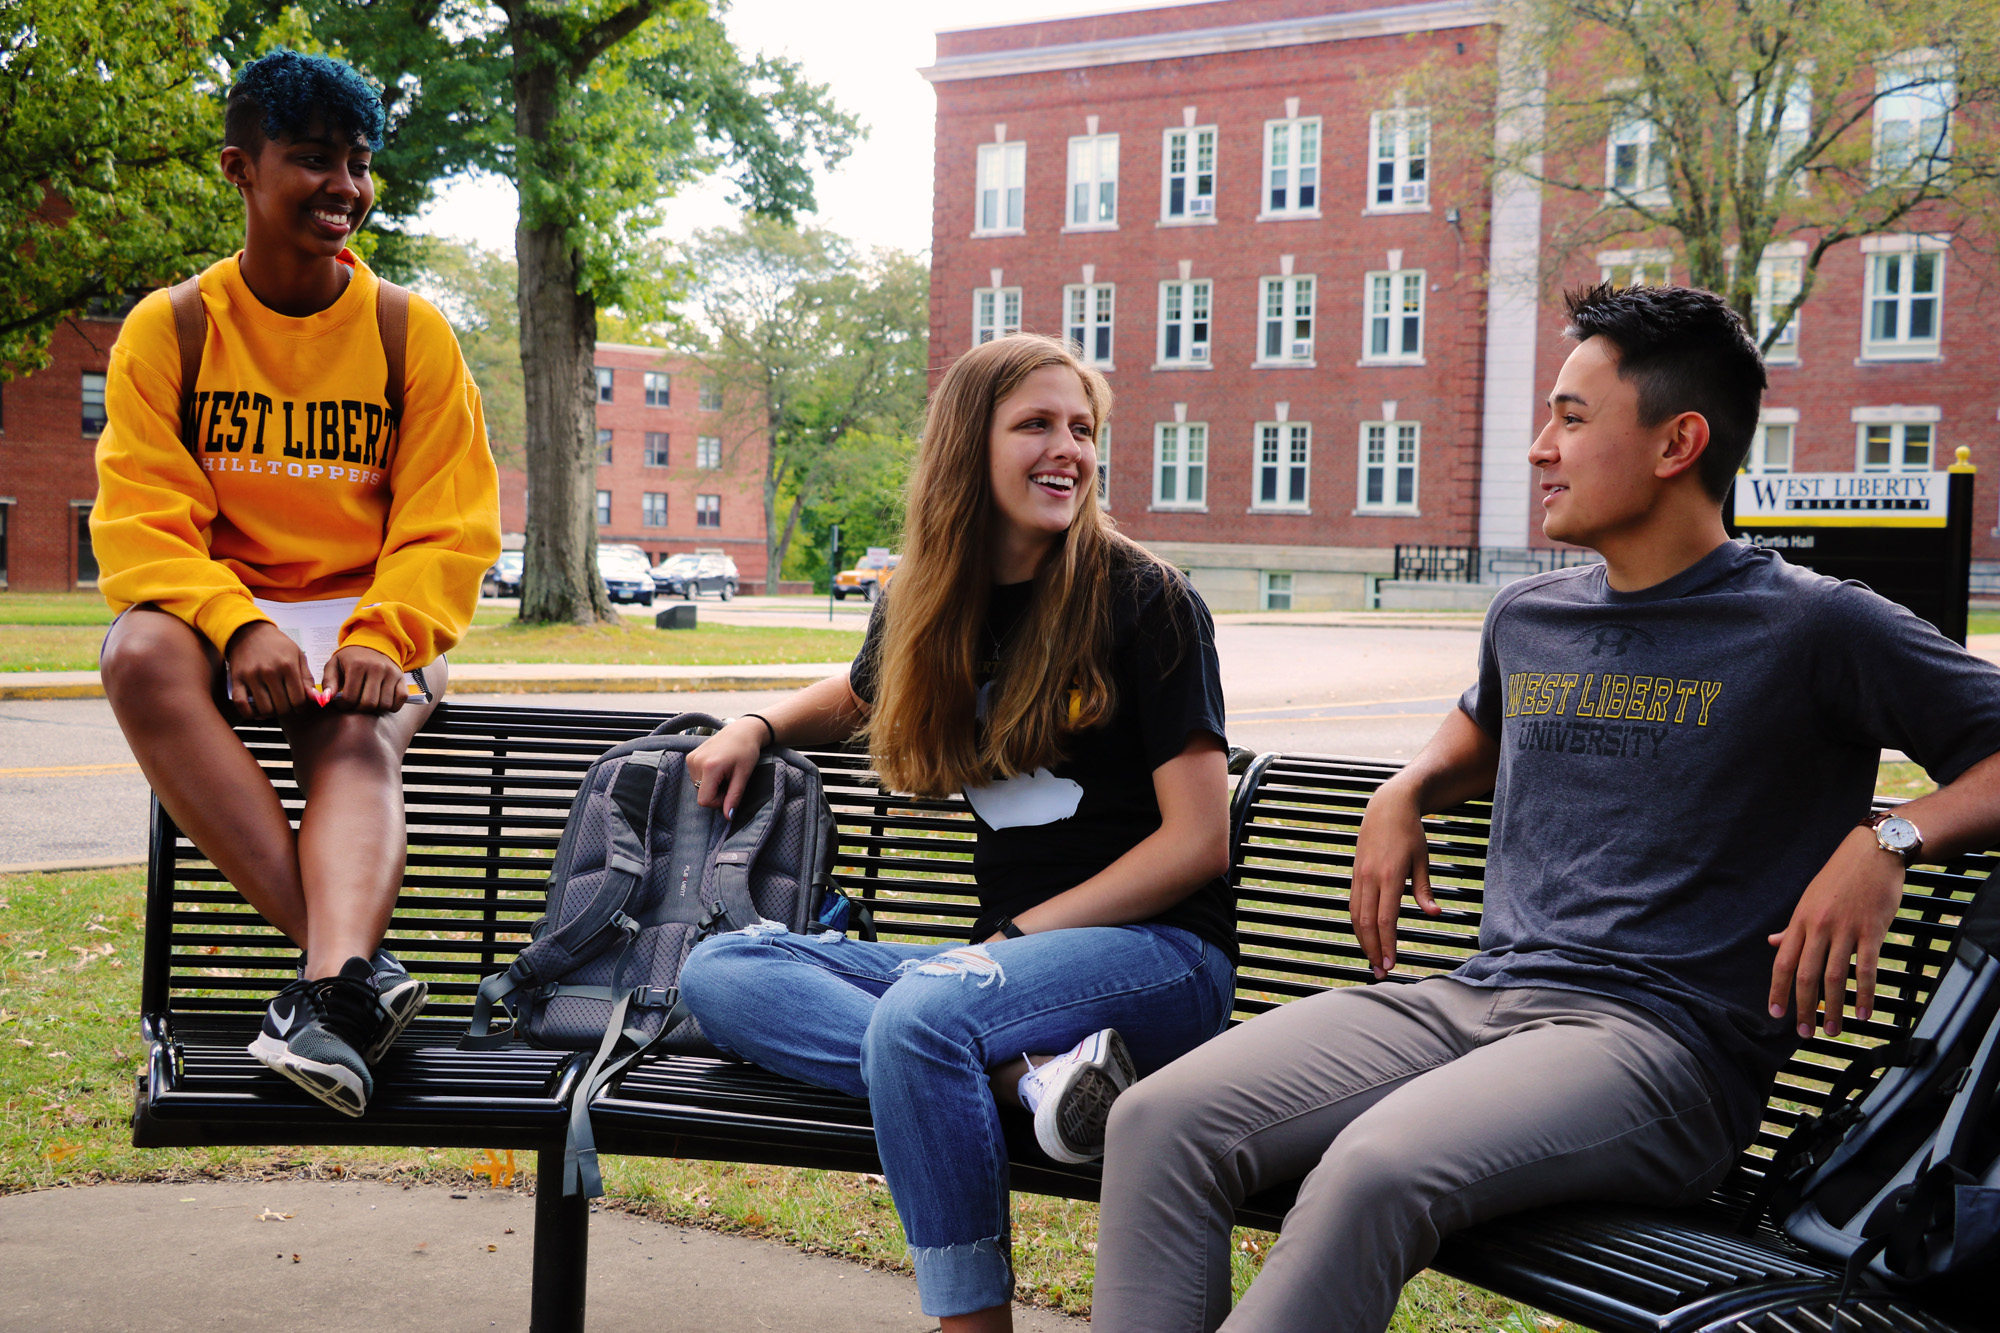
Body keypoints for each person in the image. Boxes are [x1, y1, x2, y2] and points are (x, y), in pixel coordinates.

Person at [1090, 284, 2000, 1333]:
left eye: (1570, 417)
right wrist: (1408, 784)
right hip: (1478, 1002)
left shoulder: (1814, 626)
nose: (1537, 448)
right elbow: (1479, 722)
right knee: (1158, 1120)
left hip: (1659, 1051)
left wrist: (1886, 836)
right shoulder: (1532, 614)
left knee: (1374, 1168)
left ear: (1676, 443)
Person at [677, 333, 1237, 1333]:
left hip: (1157, 961)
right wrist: (756, 727)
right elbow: (853, 697)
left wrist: (1008, 946)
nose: (1065, 447)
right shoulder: (929, 604)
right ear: (964, 449)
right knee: (719, 974)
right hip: (1001, 986)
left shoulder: (1144, 598)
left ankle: (966, 1323)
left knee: (924, 1018)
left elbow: (1197, 841)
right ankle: (1031, 1083)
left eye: (1080, 428)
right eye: (1034, 424)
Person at [93, 49, 500, 1119]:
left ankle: (329, 993)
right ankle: (354, 980)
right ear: (241, 167)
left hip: (369, 610)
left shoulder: (409, 332)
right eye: (313, 159)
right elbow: (141, 522)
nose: (345, 189)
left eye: (360, 163)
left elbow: (447, 520)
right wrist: (233, 625)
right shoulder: (172, 328)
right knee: (134, 651)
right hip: (228, 605)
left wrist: (385, 634)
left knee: (355, 733)